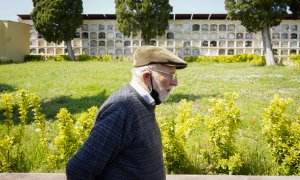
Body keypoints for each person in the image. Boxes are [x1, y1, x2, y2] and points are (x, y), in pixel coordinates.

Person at [66, 46, 187, 180]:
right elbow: (78, 170)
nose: (175, 82)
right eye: (170, 75)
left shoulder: (145, 102)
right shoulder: (122, 108)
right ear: (147, 76)